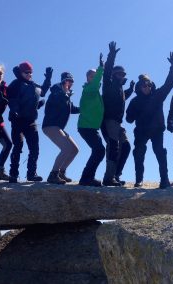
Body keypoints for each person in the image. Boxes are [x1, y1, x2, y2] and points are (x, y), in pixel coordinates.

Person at [126, 52, 173, 189]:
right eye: (144, 86)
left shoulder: (158, 95)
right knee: (138, 153)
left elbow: (169, 83)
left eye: (148, 85)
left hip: (156, 130)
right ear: (139, 87)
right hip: (141, 131)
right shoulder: (135, 102)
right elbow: (129, 119)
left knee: (160, 152)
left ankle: (164, 180)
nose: (147, 87)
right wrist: (134, 112)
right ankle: (139, 180)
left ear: (151, 85)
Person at [7, 62, 52, 183]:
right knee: (18, 146)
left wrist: (48, 78)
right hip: (18, 121)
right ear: (21, 72)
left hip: (31, 121)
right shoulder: (15, 84)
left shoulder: (33, 85)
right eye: (26, 72)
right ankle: (13, 174)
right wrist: (14, 111)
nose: (29, 74)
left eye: (31, 72)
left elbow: (43, 91)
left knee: (34, 148)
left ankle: (31, 174)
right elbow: (12, 99)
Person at [101, 41, 134, 186]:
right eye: (119, 74)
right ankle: (109, 178)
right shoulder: (108, 84)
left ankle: (115, 175)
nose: (122, 75)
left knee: (126, 146)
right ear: (115, 75)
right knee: (113, 147)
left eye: (123, 74)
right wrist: (112, 55)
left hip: (117, 123)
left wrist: (131, 89)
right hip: (108, 121)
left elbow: (123, 96)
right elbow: (107, 70)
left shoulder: (120, 89)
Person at [42, 72, 79, 184]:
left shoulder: (66, 95)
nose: (70, 83)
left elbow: (72, 109)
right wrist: (65, 93)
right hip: (50, 125)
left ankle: (61, 172)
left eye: (72, 81)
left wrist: (86, 108)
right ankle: (53, 174)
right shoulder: (56, 92)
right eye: (68, 81)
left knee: (74, 150)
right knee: (67, 148)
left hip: (58, 127)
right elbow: (57, 100)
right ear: (63, 81)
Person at [77, 54, 105, 187]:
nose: (94, 79)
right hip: (86, 127)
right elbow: (95, 84)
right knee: (99, 150)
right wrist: (100, 69)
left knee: (99, 150)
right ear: (88, 79)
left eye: (95, 76)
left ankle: (87, 177)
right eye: (91, 77)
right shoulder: (89, 90)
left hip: (91, 127)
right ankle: (86, 178)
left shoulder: (94, 92)